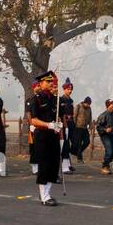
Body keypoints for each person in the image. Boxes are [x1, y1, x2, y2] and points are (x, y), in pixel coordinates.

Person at [28, 71, 63, 206]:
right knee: (44, 164)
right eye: (48, 82)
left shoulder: (55, 99)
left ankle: (47, 192)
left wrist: (58, 124)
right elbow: (34, 121)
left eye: (51, 82)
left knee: (54, 164)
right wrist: (48, 124)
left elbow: (58, 117)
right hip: (42, 135)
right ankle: (44, 196)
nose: (50, 84)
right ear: (41, 83)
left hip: (53, 135)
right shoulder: (35, 99)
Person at [96, 99, 113, 174]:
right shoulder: (103, 115)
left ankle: (105, 161)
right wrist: (105, 129)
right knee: (109, 151)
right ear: (108, 105)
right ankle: (105, 167)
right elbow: (98, 126)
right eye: (112, 104)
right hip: (105, 136)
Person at [73, 96, 93, 162]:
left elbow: (90, 118)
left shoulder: (89, 108)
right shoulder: (78, 106)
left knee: (87, 142)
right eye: (87, 104)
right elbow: (74, 116)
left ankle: (77, 153)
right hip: (78, 127)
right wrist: (73, 126)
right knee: (78, 144)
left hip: (84, 128)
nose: (88, 105)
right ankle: (79, 158)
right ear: (84, 102)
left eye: (89, 104)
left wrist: (90, 126)